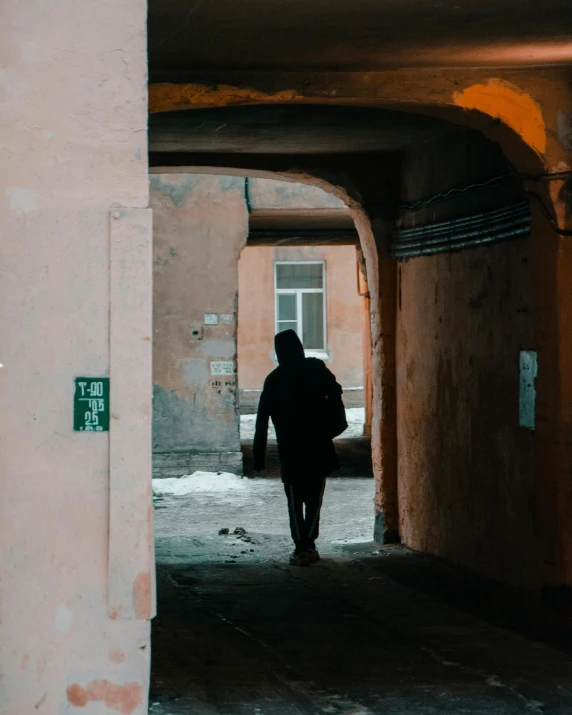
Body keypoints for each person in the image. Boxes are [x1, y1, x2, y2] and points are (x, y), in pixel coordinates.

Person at [253, 329, 347, 566]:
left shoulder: (274, 379)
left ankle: (301, 545)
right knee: (315, 498)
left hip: (291, 449)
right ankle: (309, 544)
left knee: (295, 500)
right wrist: (333, 424)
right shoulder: (316, 369)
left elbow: (261, 419)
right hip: (318, 446)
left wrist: (258, 458)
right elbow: (335, 392)